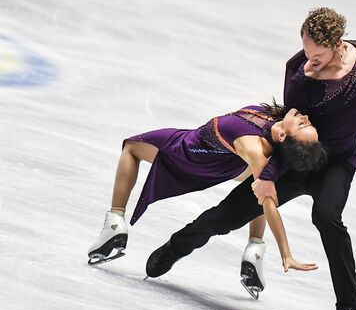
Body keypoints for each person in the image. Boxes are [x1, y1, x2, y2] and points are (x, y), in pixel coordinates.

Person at [145, 7, 356, 310]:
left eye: (317, 55)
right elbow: (290, 135)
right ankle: (175, 247)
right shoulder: (299, 77)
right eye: (306, 51)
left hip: (338, 162)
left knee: (327, 217)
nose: (309, 60)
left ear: (338, 44)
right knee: (227, 215)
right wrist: (268, 174)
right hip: (296, 162)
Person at [87, 102, 326, 277]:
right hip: (229, 163)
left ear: (283, 135)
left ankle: (115, 222)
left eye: (302, 123)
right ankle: (255, 248)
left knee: (131, 147)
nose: (304, 115)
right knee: (258, 183)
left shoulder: (255, 150)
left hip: (191, 152)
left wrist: (286, 252)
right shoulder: (273, 132)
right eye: (307, 121)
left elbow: (269, 203)